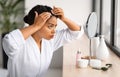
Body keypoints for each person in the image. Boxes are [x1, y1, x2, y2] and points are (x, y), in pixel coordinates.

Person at [2, 5, 84, 77]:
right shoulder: (20, 42)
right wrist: (35, 26)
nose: (54, 30)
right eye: (50, 26)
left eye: (55, 26)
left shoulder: (50, 40)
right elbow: (8, 42)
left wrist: (64, 18)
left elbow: (77, 33)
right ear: (37, 24)